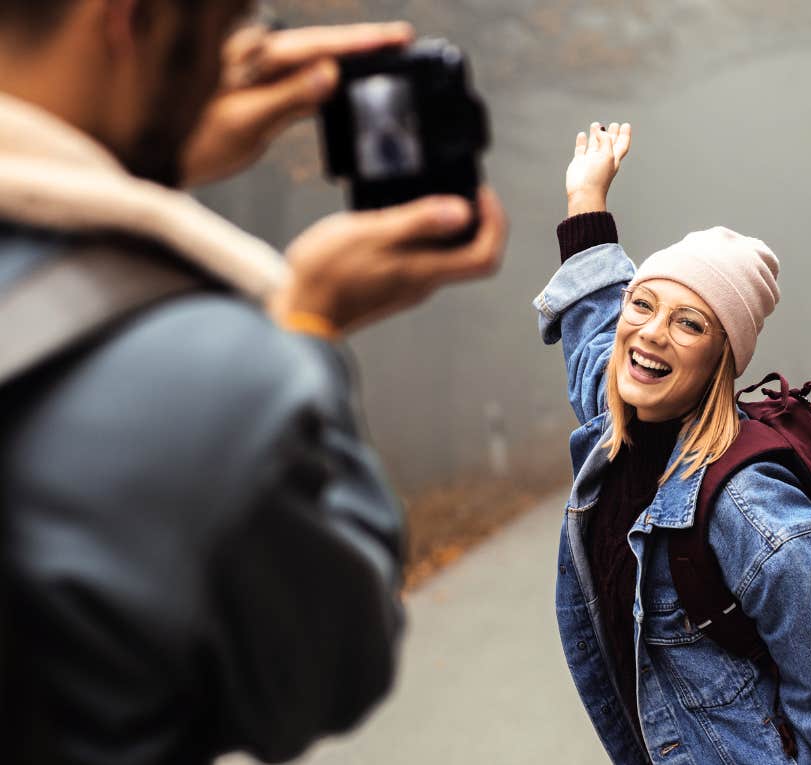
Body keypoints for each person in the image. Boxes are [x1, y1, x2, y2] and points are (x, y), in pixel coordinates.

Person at [0, 1, 508, 763]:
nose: (219, 72)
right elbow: (333, 665)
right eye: (214, 37)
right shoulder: (199, 380)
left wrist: (141, 148)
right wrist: (306, 328)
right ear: (127, 22)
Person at [534, 121, 811, 764]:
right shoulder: (618, 421)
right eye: (644, 305)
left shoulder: (748, 508)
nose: (651, 334)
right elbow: (594, 326)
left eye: (688, 322)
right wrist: (587, 198)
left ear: (724, 357)